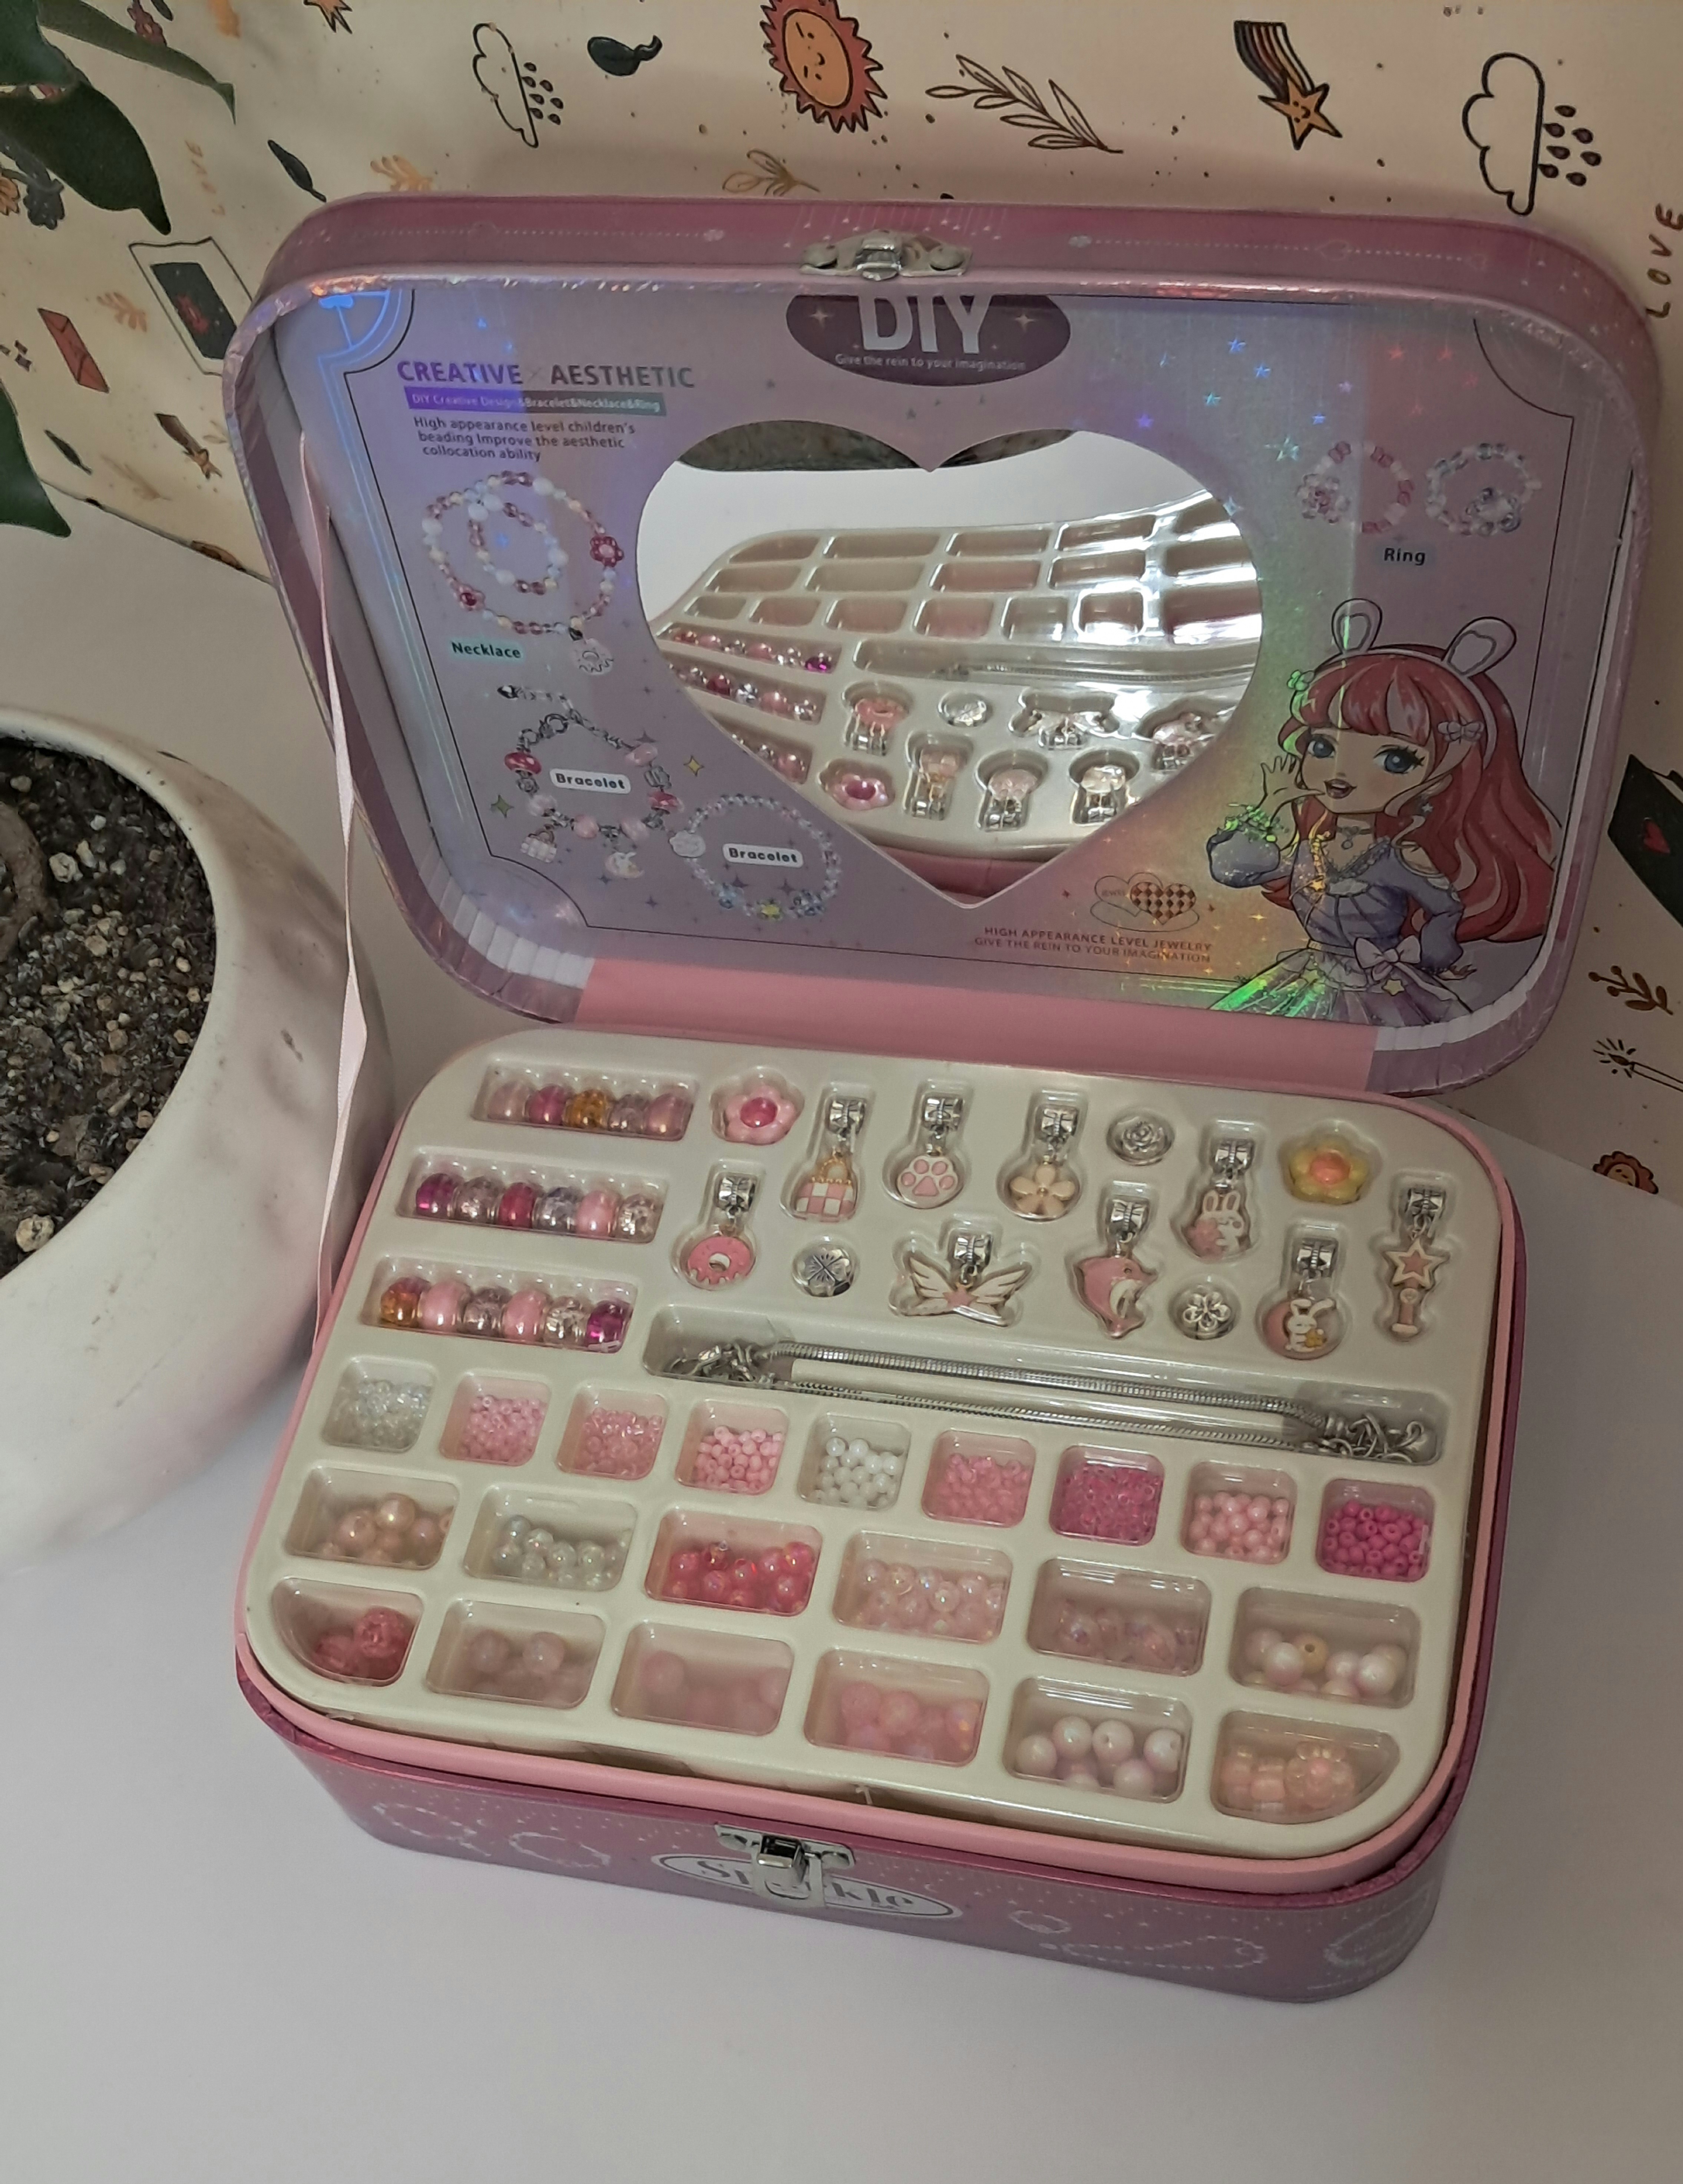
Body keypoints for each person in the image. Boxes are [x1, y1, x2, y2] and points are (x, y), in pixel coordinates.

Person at [1207, 600, 1555, 1024]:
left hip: (1382, 989)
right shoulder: (1311, 848)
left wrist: (1424, 953)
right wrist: (1272, 800)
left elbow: (1445, 908)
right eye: (1323, 746)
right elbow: (1232, 870)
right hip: (1308, 979)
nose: (1342, 772)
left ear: (1441, 775)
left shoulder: (1399, 857)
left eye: (1395, 760)